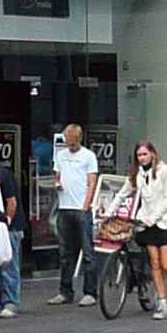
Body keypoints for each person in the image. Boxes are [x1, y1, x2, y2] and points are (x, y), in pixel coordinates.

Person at [129, 138, 167, 315]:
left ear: (152, 153)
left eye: (145, 154)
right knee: (155, 263)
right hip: (147, 224)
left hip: (165, 223)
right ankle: (162, 304)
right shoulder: (138, 174)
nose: (142, 158)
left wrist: (153, 218)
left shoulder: (164, 171)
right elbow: (125, 190)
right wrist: (108, 210)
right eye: (139, 155)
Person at [53, 119, 100, 303]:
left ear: (79, 140)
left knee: (88, 252)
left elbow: (92, 182)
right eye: (68, 142)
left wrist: (86, 205)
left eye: (73, 143)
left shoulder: (88, 156)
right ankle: (65, 291)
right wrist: (57, 184)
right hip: (64, 207)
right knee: (65, 253)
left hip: (81, 208)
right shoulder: (61, 156)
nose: (70, 146)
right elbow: (58, 175)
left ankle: (90, 292)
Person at [0, 146, 24, 322]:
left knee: (9, 266)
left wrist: (7, 221)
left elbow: (12, 201)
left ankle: (11, 302)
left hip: (10, 226)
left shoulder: (3, 175)